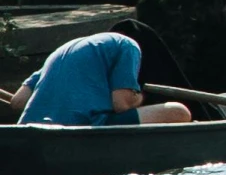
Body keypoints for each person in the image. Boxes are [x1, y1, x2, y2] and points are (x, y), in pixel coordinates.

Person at [6, 31, 193, 126]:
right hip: (82, 125)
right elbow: (121, 103)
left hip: (28, 127)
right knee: (179, 111)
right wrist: (140, 97)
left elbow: (18, 101)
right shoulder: (128, 45)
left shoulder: (63, 51)